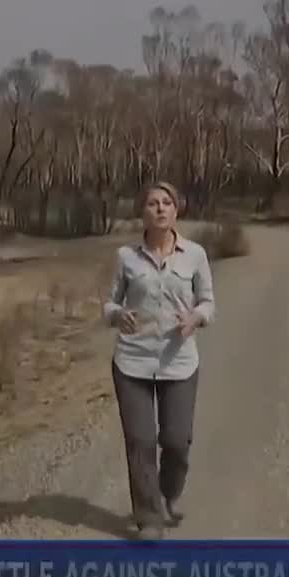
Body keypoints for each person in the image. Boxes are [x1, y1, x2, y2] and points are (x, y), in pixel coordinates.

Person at [102, 181, 215, 540]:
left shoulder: (195, 254)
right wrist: (117, 314)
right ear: (143, 212)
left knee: (177, 441)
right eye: (153, 203)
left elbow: (208, 302)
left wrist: (196, 318)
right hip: (132, 362)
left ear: (176, 210)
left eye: (167, 202)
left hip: (179, 363)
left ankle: (170, 491)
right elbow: (108, 303)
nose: (161, 208)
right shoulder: (126, 257)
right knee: (140, 441)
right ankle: (149, 517)